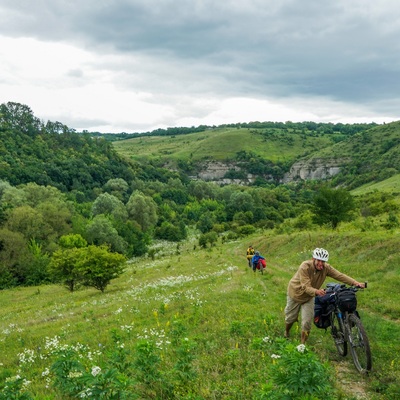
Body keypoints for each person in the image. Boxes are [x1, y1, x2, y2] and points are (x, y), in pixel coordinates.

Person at [284, 248, 365, 344]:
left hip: (309, 297)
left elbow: (340, 275)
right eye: (318, 260)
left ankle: (302, 344)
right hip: (295, 293)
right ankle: (287, 331)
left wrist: (355, 283)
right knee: (290, 318)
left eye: (323, 261)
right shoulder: (304, 266)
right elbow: (305, 286)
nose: (321, 264)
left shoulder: (326, 268)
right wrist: (317, 291)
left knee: (307, 322)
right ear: (313, 259)